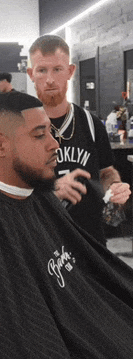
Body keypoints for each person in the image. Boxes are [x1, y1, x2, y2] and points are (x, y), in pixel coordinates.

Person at [0, 91, 133, 359]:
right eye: (40, 134)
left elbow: (91, 275)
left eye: (51, 133)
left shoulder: (39, 199)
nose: (55, 145)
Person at [27, 35, 131, 245]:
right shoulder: (19, 127)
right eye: (42, 70)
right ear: (31, 74)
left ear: (70, 71)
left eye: (57, 69)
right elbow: (5, 194)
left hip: (90, 239)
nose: (49, 79)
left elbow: (106, 171)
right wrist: (49, 193)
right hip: (41, 241)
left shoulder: (91, 123)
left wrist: (114, 187)